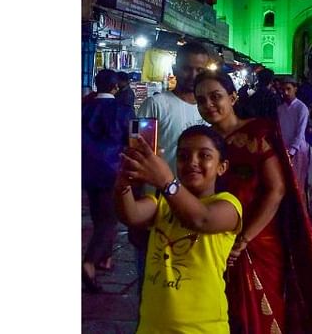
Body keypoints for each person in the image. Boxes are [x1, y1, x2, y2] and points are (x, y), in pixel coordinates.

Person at [192, 71, 312, 334]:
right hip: (215, 236)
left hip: (258, 239)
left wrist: (245, 239)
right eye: (201, 100)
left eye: (216, 97)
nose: (209, 105)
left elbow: (276, 189)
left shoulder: (257, 132)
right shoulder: (204, 141)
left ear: (232, 97)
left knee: (260, 313)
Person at [115, 125, 243, 333]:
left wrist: (166, 181)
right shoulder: (161, 203)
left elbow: (201, 219)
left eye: (204, 155)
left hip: (201, 328)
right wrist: (123, 184)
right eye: (183, 156)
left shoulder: (228, 205)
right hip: (152, 326)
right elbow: (130, 214)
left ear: (222, 167)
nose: (192, 162)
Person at [131, 41, 212, 295]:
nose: (193, 75)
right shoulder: (155, 105)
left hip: (195, 210)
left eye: (200, 70)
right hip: (157, 209)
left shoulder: (211, 110)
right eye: (187, 69)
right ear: (176, 68)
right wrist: (135, 217)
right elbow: (135, 157)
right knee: (151, 288)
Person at [81, 69, 135, 292]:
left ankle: (105, 258)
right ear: (115, 87)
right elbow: (131, 139)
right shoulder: (122, 111)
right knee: (109, 221)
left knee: (98, 216)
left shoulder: (84, 107)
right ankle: (90, 262)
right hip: (111, 170)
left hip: (86, 169)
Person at [277, 78, 311, 193]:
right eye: (283, 90)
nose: (285, 92)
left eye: (288, 89)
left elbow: (300, 132)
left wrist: (291, 152)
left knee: (297, 185)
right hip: (283, 150)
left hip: (297, 151)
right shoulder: (280, 109)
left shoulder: (302, 108)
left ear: (295, 89)